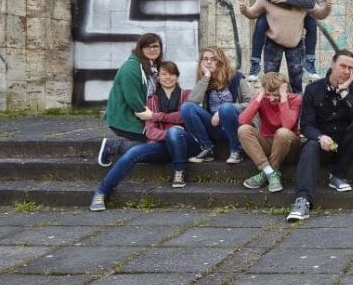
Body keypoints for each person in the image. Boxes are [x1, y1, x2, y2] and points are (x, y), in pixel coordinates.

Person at [91, 61, 196, 211]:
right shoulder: (150, 101)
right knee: (134, 152)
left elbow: (183, 117)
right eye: (163, 74)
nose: (168, 77)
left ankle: (180, 171)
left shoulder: (187, 95)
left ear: (177, 76)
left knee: (176, 132)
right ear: (158, 77)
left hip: (187, 144)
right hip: (163, 146)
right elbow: (151, 132)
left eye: (171, 74)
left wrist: (156, 117)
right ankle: (101, 192)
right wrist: (171, 134)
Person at [287, 50, 353, 222]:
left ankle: (338, 175)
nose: (346, 71)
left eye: (350, 68)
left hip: (345, 147)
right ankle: (302, 201)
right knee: (309, 146)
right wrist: (320, 137)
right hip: (322, 145)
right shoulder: (312, 90)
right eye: (343, 66)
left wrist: (345, 94)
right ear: (332, 65)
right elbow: (307, 125)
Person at [247, 0, 333, 81]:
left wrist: (287, 0)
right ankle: (255, 63)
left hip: (295, 27)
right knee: (261, 21)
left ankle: (309, 62)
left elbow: (310, 3)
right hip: (275, 25)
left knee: (311, 22)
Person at [238, 0, 308, 93]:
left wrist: (327, 7)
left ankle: (297, 112)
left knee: (297, 83)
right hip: (273, 42)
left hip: (295, 43)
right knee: (269, 82)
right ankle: (269, 110)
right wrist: (244, 9)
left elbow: (319, 13)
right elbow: (252, 13)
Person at [97, 33, 163, 168]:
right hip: (127, 120)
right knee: (161, 147)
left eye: (155, 46)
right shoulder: (131, 68)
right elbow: (134, 101)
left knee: (167, 141)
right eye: (147, 46)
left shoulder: (151, 68)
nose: (152, 49)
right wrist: (153, 120)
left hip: (140, 118)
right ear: (140, 48)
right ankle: (114, 146)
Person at [180, 46, 252, 163]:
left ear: (220, 61)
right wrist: (206, 76)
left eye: (213, 59)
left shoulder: (236, 78)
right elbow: (192, 101)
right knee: (186, 107)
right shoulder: (205, 81)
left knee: (225, 108)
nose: (209, 62)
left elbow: (250, 104)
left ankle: (236, 150)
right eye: (205, 59)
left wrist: (222, 111)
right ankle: (207, 148)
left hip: (235, 126)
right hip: (214, 127)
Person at [238, 72, 302, 193]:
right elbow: (242, 120)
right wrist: (261, 95)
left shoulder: (295, 99)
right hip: (268, 144)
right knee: (243, 130)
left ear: (285, 90)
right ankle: (269, 172)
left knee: (282, 132)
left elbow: (287, 125)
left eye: (276, 94)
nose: (272, 98)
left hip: (289, 146)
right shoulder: (262, 98)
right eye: (268, 94)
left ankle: (270, 170)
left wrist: (283, 97)